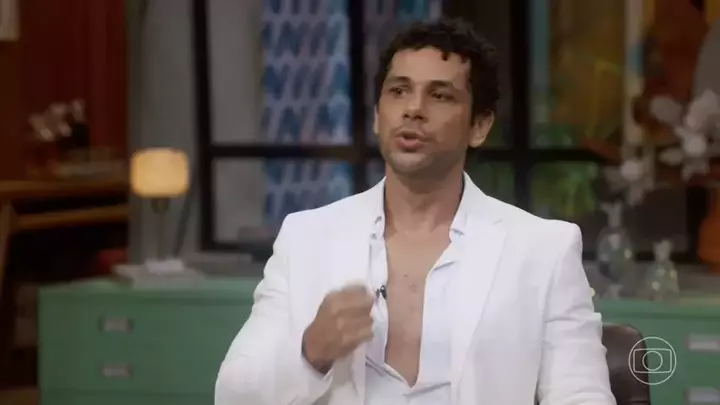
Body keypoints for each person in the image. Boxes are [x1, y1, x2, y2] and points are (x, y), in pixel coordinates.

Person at [215, 18, 615, 405]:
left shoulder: (544, 250)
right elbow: (233, 396)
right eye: (399, 91)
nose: (413, 109)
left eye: (440, 95)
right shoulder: (307, 238)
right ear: (377, 115)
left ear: (479, 126)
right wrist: (311, 353)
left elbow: (581, 395)